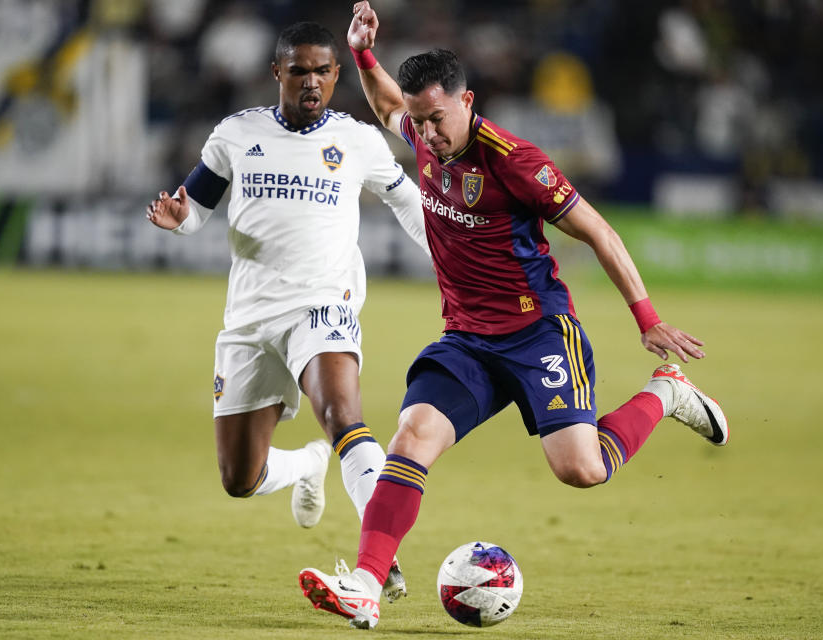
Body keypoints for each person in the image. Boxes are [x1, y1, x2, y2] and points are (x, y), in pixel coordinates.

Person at [296, 2, 730, 630]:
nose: (429, 135)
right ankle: (364, 585)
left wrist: (647, 318)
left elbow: (600, 233)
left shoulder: (517, 163)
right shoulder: (422, 130)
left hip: (537, 334)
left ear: (467, 100)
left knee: (580, 470)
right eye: (421, 122)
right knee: (411, 437)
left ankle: (667, 392)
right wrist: (363, 53)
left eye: (439, 119)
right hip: (467, 339)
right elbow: (388, 99)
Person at [146, 21, 429, 602]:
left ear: (336, 75)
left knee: (343, 414)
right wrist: (180, 218)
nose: (311, 82)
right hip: (250, 317)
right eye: (299, 70)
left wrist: (456, 261)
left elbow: (407, 201)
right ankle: (305, 465)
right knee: (238, 479)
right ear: (277, 72)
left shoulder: (357, 141)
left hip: (324, 303)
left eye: (323, 71)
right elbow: (196, 206)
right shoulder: (235, 134)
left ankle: (378, 559)